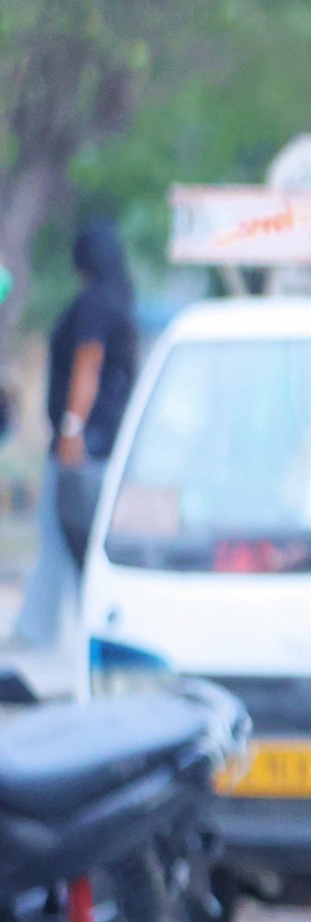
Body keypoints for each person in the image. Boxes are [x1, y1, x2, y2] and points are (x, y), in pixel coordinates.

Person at [13, 220, 137, 650]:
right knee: (74, 537)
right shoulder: (116, 299)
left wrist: (72, 429)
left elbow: (88, 362)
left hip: (84, 443)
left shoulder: (94, 302)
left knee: (58, 530)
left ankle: (38, 631)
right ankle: (50, 627)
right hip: (102, 441)